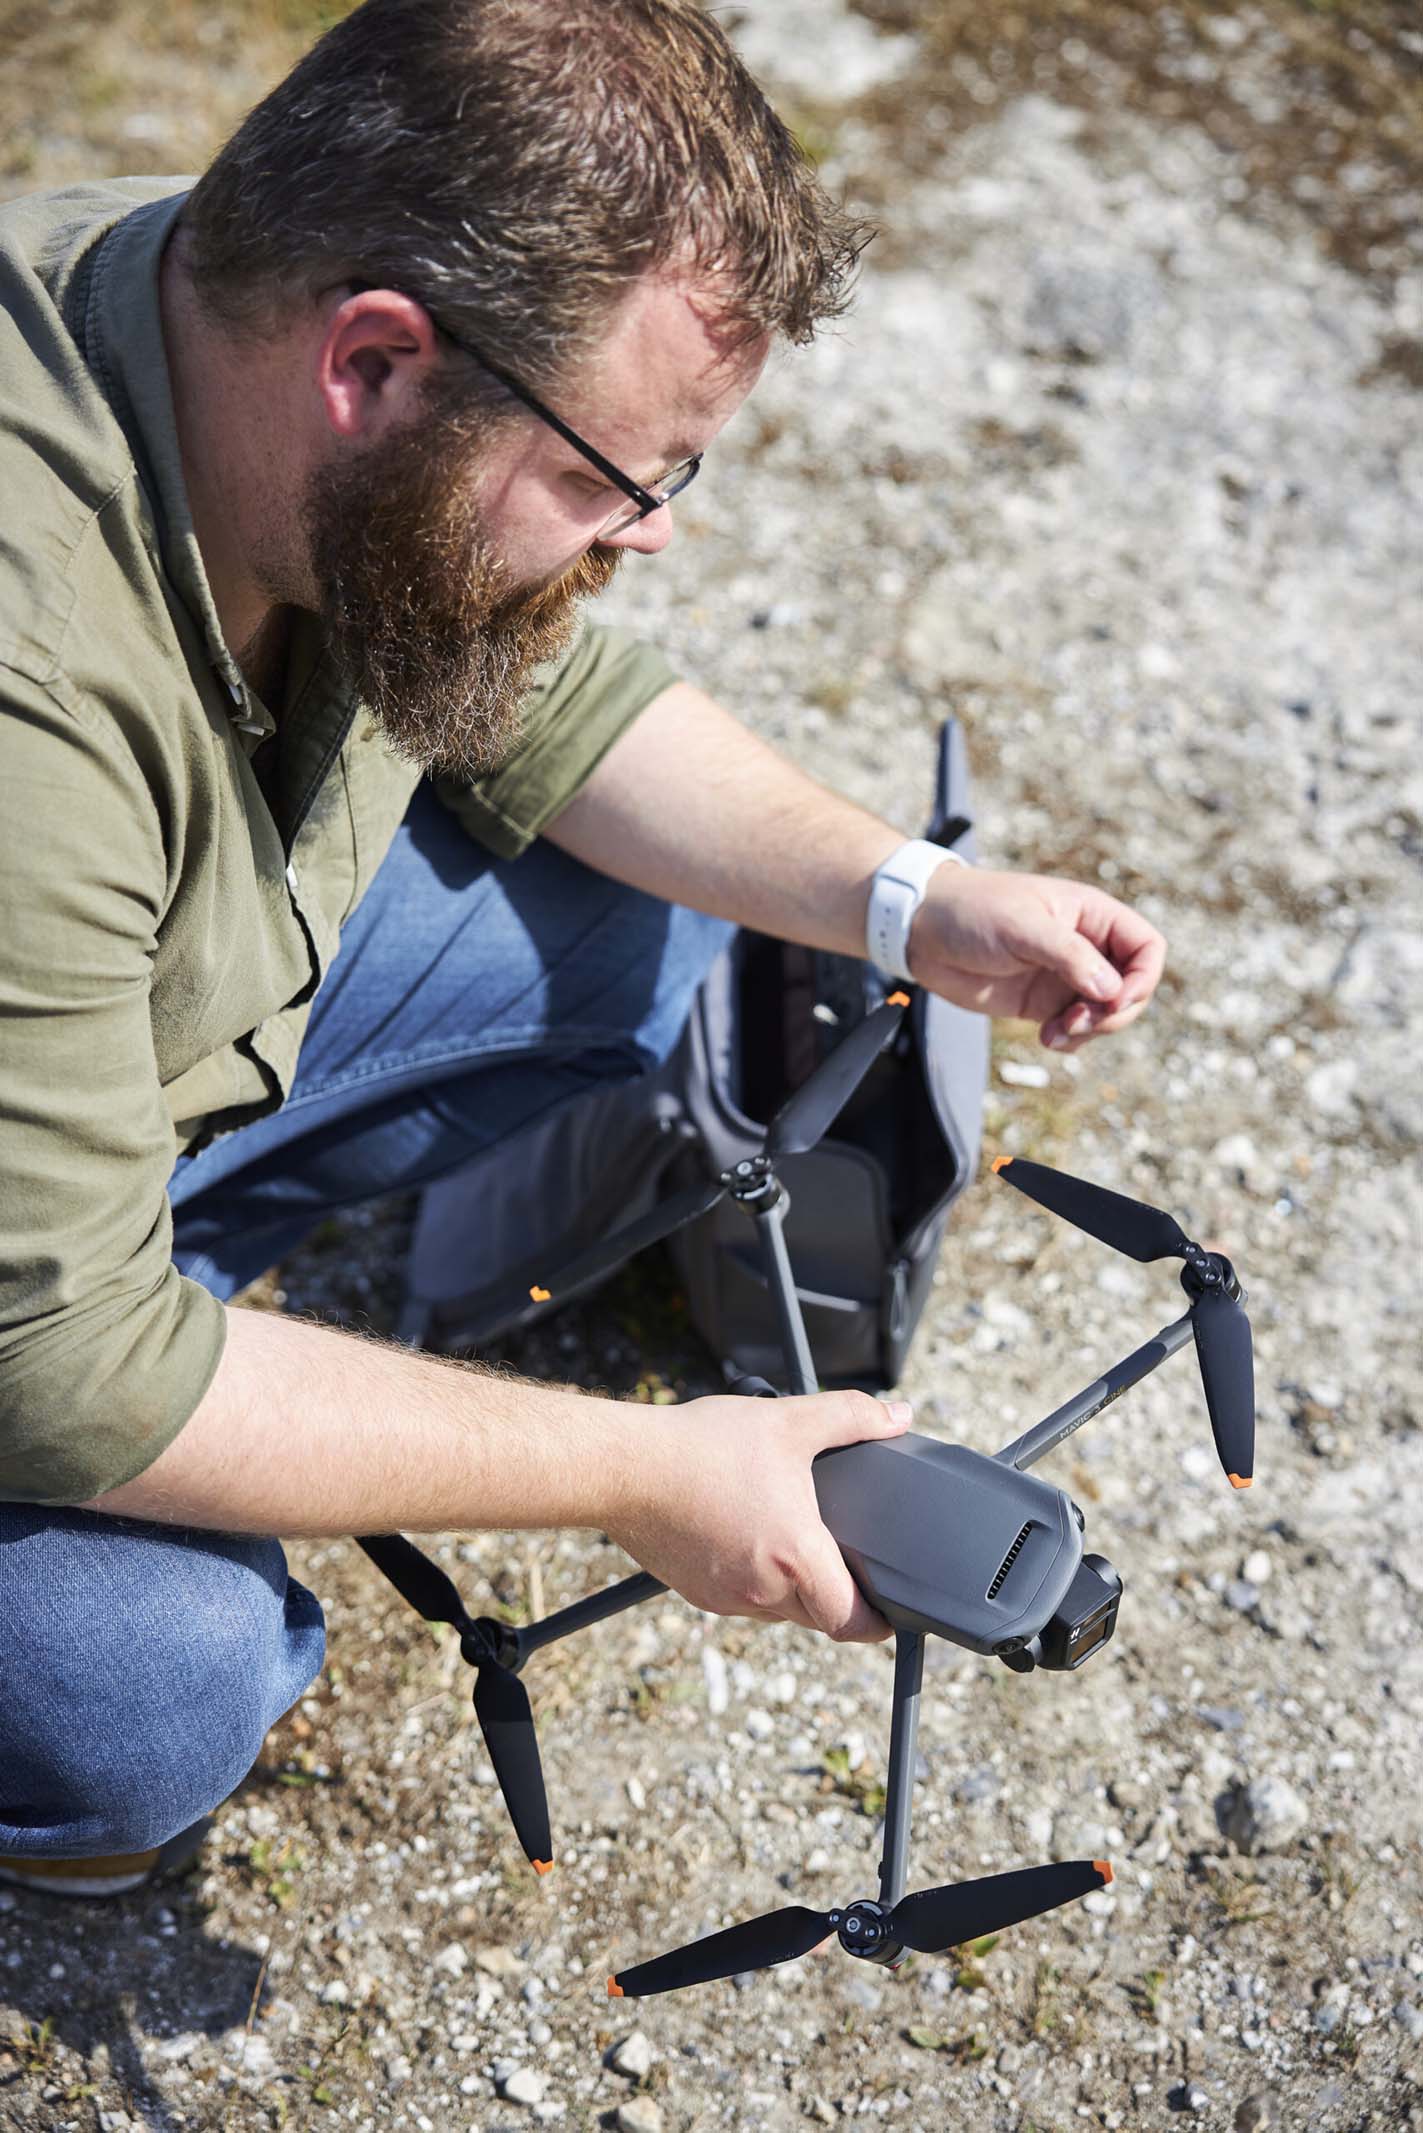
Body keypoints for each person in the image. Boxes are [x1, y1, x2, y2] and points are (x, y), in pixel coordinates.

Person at [0, 0, 1165, 1897]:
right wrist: (645, 1473)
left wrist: (910, 899)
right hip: (27, 1327)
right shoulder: (28, 675)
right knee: (152, 1684)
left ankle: (135, 1255)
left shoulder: (241, 303)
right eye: (624, 475)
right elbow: (53, 1372)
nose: (650, 537)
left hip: (68, 1115)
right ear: (376, 364)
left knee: (623, 936)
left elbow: (555, 705)